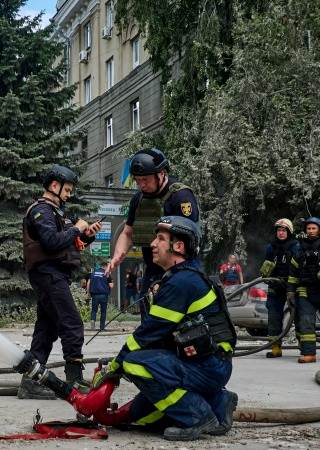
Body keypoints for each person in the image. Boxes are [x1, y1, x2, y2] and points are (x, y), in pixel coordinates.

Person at [89, 216, 237, 441]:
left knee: (134, 363)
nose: (153, 244)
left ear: (178, 247)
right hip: (208, 363)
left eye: (160, 239)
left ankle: (197, 416)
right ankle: (218, 402)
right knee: (140, 417)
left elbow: (146, 335)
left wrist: (116, 367)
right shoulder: (183, 277)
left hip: (208, 366)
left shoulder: (182, 282)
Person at [18, 164, 102, 399]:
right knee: (72, 323)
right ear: (54, 185)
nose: (69, 194)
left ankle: (31, 380)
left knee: (47, 327)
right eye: (67, 189)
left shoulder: (55, 213)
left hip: (54, 274)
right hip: (48, 274)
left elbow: (67, 243)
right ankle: (74, 380)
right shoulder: (41, 211)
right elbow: (51, 242)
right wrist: (77, 228)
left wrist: (87, 235)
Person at [107, 148, 199, 318]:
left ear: (161, 174)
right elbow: (128, 233)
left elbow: (189, 238)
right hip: (152, 270)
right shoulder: (138, 199)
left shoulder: (181, 197)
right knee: (148, 317)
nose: (141, 185)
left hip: (181, 269)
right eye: (138, 180)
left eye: (145, 180)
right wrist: (118, 254)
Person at [260, 218, 299, 358]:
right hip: (275, 286)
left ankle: (305, 347)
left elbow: (298, 267)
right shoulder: (271, 247)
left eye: (284, 230)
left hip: (292, 286)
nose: (281, 233)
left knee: (299, 315)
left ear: (289, 232)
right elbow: (267, 267)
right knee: (274, 317)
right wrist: (265, 273)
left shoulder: (295, 246)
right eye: (279, 230)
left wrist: (292, 285)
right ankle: (275, 348)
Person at [287, 217, 320, 364]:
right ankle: (309, 353)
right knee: (306, 322)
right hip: (305, 291)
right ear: (306, 230)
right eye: (309, 228)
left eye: (314, 228)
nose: (311, 231)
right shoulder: (300, 248)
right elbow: (293, 272)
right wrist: (290, 291)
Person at [87, 265, 113, 330]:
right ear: (105, 267)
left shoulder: (93, 273)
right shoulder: (106, 273)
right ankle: (102, 327)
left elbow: (88, 283)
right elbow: (111, 285)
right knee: (103, 311)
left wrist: (88, 293)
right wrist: (112, 281)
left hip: (95, 295)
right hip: (103, 295)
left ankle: (93, 320)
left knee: (94, 310)